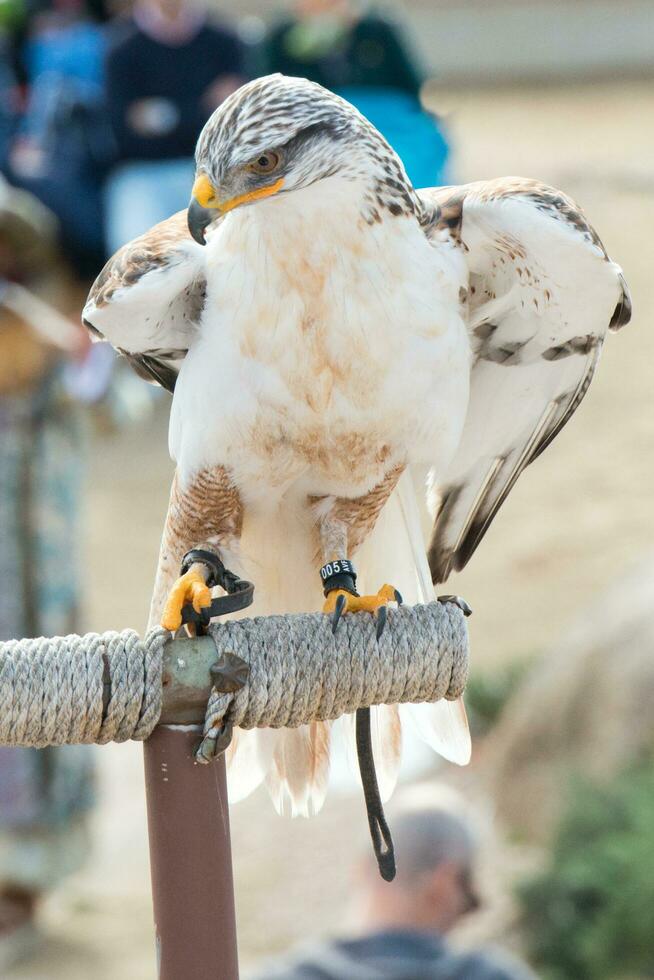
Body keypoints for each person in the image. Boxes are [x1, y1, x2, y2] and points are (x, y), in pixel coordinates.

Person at [0, 177, 96, 970]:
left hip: (33, 574)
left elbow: (113, 402)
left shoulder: (44, 347)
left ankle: (19, 893)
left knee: (36, 714)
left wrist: (77, 353)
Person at [250, 790, 535, 980]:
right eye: (471, 899)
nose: (467, 913)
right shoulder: (489, 975)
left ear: (361, 870)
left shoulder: (286, 974)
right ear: (444, 882)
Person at [103, 0, 247, 253]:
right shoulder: (122, 46)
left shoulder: (224, 40)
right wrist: (202, 107)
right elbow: (122, 133)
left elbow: (238, 121)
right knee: (134, 257)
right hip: (143, 173)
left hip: (214, 171)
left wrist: (163, 115)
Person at [261, 0, 449, 189]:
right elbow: (268, 93)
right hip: (318, 125)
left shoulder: (378, 30)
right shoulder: (282, 38)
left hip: (390, 120)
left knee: (412, 153)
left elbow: (410, 83)